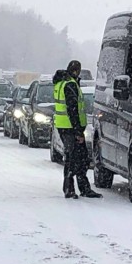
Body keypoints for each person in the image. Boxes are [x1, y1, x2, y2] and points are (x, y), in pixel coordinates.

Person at [53, 60, 101, 199]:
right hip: (70, 128)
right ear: (75, 71)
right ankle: (71, 188)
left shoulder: (61, 83)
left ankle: (80, 188)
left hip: (65, 127)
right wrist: (78, 132)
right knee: (73, 158)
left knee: (80, 158)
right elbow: (72, 109)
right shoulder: (70, 85)